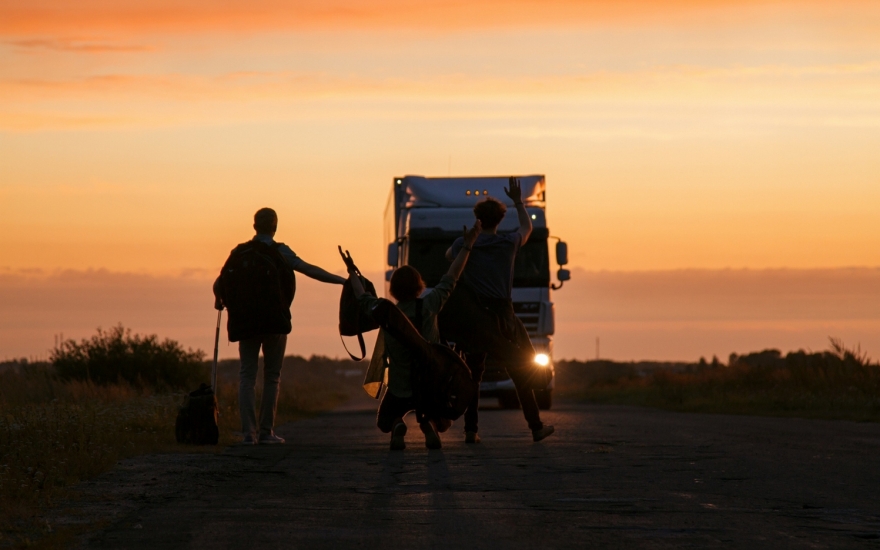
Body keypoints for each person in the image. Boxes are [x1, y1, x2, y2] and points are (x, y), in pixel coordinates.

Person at [341, 220, 481, 450]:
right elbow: (452, 276)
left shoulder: (385, 312)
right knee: (436, 412)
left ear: (394, 288)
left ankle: (397, 424)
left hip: (399, 387)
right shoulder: (430, 304)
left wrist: (352, 271)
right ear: (419, 285)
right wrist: (467, 246)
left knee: (384, 420)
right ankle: (429, 425)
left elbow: (361, 296)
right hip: (430, 386)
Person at [213, 208, 346, 445]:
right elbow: (310, 270)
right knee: (272, 376)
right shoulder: (279, 251)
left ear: (254, 226)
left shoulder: (239, 252)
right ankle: (266, 432)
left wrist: (218, 300)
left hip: (244, 323)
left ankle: (247, 434)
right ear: (275, 227)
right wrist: (344, 281)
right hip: (274, 321)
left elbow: (219, 283)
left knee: (247, 375)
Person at [443, 177, 555, 443]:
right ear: (501, 220)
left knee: (473, 374)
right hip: (503, 318)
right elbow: (527, 227)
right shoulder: (509, 244)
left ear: (477, 219)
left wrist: (470, 238)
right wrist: (518, 201)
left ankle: (471, 430)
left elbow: (449, 256)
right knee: (519, 371)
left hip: (474, 319)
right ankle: (536, 426)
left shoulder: (464, 244)